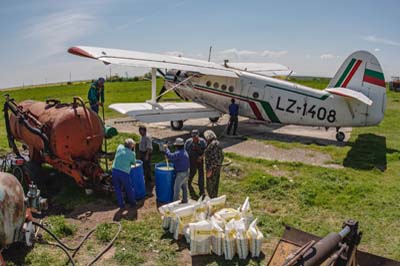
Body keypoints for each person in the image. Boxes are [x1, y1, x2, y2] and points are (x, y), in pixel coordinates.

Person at [111, 138, 136, 209]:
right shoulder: (132, 154)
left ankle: (121, 205)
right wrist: (133, 152)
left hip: (114, 170)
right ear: (131, 146)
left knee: (118, 188)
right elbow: (134, 163)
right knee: (129, 188)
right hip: (124, 173)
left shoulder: (119, 147)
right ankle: (132, 202)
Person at [164, 138, 190, 203]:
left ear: (177, 146)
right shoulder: (184, 152)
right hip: (186, 172)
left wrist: (166, 149)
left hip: (180, 174)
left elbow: (170, 156)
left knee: (176, 189)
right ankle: (185, 200)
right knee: (184, 187)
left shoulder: (178, 153)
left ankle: (175, 203)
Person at [184, 129, 207, 197]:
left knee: (201, 175)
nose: (194, 138)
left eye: (196, 137)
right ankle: (189, 182)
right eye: (193, 137)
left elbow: (206, 150)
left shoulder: (203, 142)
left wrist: (201, 157)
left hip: (199, 160)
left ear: (198, 136)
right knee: (192, 172)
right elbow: (185, 151)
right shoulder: (188, 142)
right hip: (191, 160)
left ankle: (202, 190)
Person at [204, 130, 224, 198]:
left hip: (212, 169)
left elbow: (214, 159)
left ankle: (212, 200)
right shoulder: (217, 143)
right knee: (215, 185)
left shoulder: (213, 145)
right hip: (217, 168)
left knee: (210, 187)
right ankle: (214, 198)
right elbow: (221, 157)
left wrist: (210, 170)